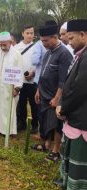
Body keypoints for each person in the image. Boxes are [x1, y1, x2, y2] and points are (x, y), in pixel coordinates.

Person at [34, 22, 72, 161]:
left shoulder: (64, 54)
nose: (43, 43)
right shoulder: (48, 51)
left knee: (56, 124)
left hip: (54, 95)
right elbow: (42, 73)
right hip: (43, 93)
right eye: (42, 40)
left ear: (55, 37)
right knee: (44, 121)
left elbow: (64, 81)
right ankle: (46, 144)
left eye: (46, 40)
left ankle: (56, 152)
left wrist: (57, 98)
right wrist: (38, 90)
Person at [56, 19, 87, 190]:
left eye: (71, 37)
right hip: (76, 117)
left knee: (79, 163)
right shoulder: (81, 54)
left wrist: (63, 108)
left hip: (82, 119)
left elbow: (79, 90)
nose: (68, 41)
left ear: (83, 35)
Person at [0, 32, 23, 136]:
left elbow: (19, 71)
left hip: (9, 86)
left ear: (10, 42)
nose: (2, 46)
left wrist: (17, 88)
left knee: (8, 108)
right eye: (0, 44)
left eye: (4, 44)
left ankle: (8, 131)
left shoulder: (16, 54)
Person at [15, 25, 38, 133]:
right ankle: (22, 123)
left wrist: (33, 73)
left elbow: (40, 63)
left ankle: (34, 125)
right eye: (27, 33)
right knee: (21, 103)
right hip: (21, 81)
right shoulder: (16, 48)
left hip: (33, 81)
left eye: (31, 33)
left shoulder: (38, 46)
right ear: (22, 33)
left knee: (34, 104)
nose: (30, 35)